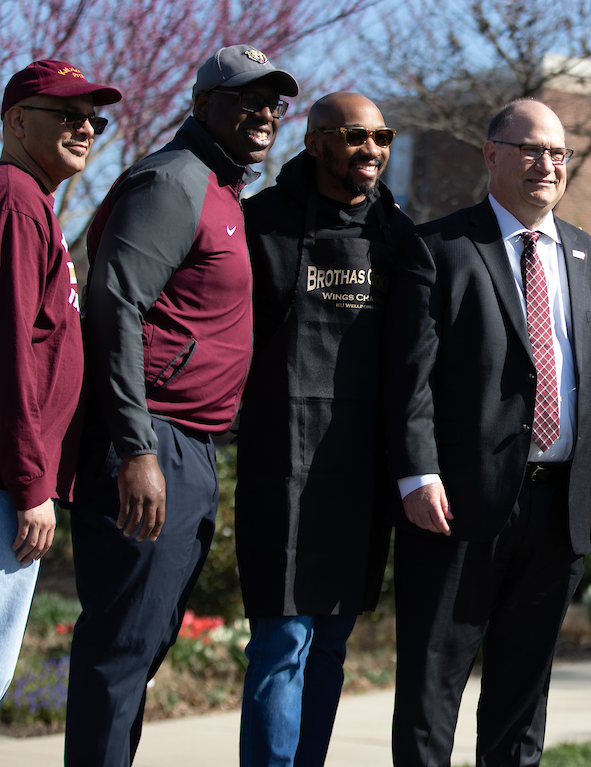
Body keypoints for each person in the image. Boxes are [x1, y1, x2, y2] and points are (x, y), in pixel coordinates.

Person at [64, 44, 298, 766]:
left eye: (274, 101)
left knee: (142, 648)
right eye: (244, 98)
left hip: (189, 446)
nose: (263, 112)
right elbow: (115, 304)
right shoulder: (173, 181)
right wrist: (136, 449)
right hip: (149, 441)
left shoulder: (222, 190)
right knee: (120, 650)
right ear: (201, 106)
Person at [382, 98, 591, 767]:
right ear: (491, 154)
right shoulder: (437, 248)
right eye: (529, 149)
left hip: (561, 510)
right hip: (456, 505)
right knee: (433, 689)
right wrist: (418, 472)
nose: (545, 164)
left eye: (557, 153)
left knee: (524, 697)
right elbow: (410, 377)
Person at [234, 91, 413, 767]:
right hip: (280, 468)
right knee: (282, 644)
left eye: (382, 136)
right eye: (354, 135)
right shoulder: (262, 224)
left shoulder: (398, 233)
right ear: (314, 144)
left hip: (361, 476)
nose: (372, 149)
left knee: (332, 645)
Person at [0, 59, 120, 746]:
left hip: (6, 483)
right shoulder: (11, 198)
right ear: (14, 121)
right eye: (67, 114)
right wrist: (31, 482)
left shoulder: (32, 202)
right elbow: (2, 351)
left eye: (93, 118)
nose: (85, 128)